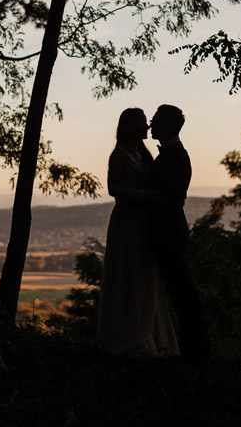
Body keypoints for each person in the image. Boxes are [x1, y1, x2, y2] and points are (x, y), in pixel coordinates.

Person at [97, 108, 179, 357]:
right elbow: (113, 189)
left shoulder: (144, 155)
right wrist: (146, 195)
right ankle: (129, 333)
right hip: (126, 223)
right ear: (131, 126)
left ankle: (145, 331)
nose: (147, 127)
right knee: (127, 274)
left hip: (143, 223)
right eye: (143, 123)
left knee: (143, 275)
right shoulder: (119, 154)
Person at [148, 104, 211, 365]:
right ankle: (194, 349)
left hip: (168, 233)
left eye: (155, 121)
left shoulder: (174, 157)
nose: (150, 125)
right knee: (181, 292)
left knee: (183, 293)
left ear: (167, 125)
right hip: (169, 232)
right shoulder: (174, 154)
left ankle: (196, 350)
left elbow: (169, 198)